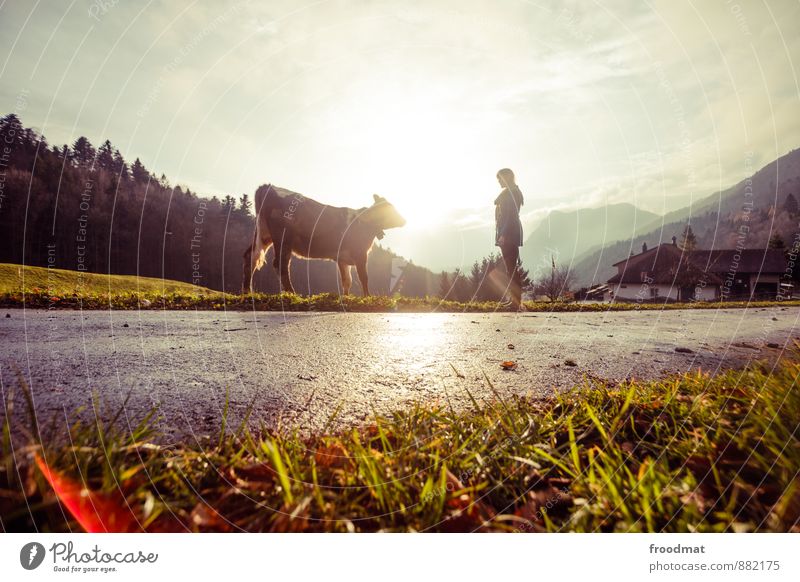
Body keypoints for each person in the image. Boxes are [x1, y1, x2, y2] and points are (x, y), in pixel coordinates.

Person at [494, 168, 524, 308]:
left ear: (506, 178)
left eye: (500, 178)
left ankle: (516, 302)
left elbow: (510, 216)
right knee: (510, 268)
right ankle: (514, 299)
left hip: (510, 234)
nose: (498, 181)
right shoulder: (510, 193)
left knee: (511, 268)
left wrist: (504, 234)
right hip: (510, 233)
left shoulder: (511, 194)